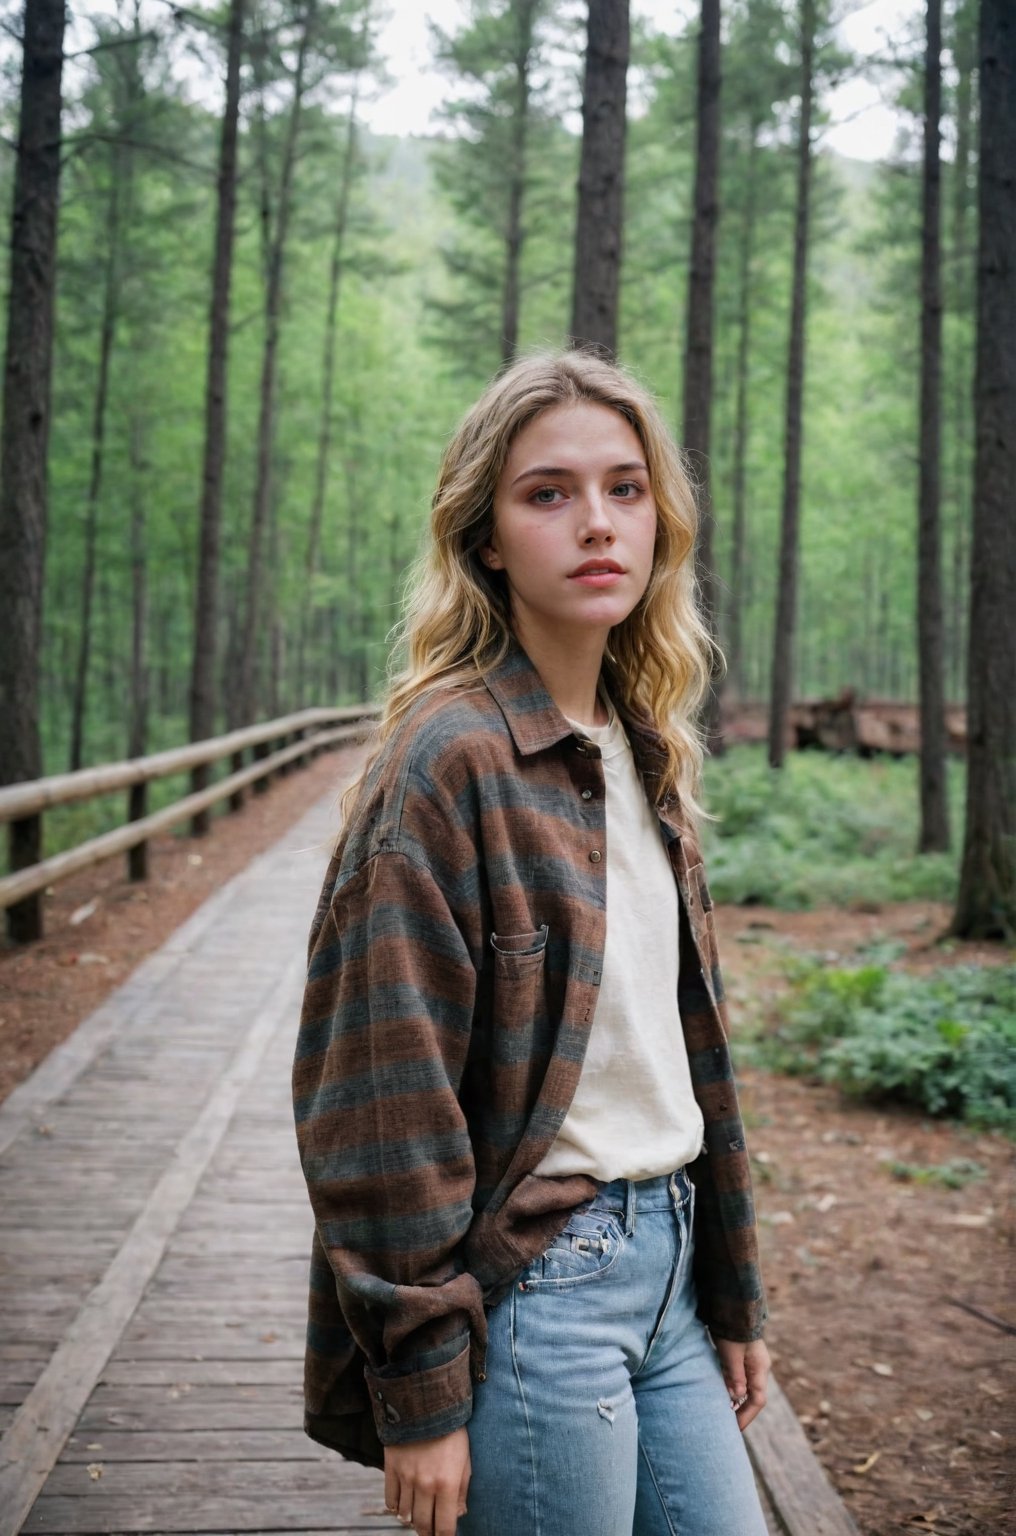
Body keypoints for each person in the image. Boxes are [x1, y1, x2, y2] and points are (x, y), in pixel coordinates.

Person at [292, 350, 771, 1536]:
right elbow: (378, 1099)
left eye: (623, 487)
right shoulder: (447, 762)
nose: (596, 523)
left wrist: (732, 1290)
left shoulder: (641, 744)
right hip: (538, 1289)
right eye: (547, 493)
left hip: (668, 1266)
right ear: (487, 538)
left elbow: (678, 1056)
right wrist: (421, 1395)